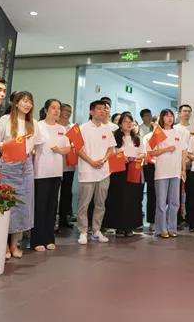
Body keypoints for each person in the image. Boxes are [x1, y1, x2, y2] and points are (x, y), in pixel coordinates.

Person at [0, 91, 43, 259]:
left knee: (23, 204)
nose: (27, 104)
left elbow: (35, 148)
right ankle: (3, 245)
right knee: (6, 203)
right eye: (24, 101)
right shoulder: (5, 120)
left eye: (30, 102)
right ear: (16, 103)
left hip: (26, 165)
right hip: (8, 163)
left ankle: (15, 244)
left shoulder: (33, 123)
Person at [32, 99, 70, 251]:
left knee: (52, 206)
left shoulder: (62, 128)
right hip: (40, 172)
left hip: (56, 172)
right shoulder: (38, 125)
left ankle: (49, 238)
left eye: (58, 108)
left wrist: (60, 150)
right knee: (39, 207)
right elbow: (32, 146)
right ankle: (37, 240)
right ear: (46, 110)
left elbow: (68, 148)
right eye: (53, 108)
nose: (56, 111)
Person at [76, 100, 115, 245]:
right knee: (84, 203)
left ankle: (96, 230)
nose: (102, 111)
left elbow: (111, 148)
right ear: (91, 111)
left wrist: (104, 160)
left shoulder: (107, 129)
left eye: (104, 109)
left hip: (104, 171)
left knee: (100, 203)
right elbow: (78, 149)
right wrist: (91, 161)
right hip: (87, 171)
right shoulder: (82, 128)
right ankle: (83, 231)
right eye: (99, 109)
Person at [146, 109, 187, 239]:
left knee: (175, 202)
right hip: (162, 172)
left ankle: (172, 228)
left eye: (171, 116)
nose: (169, 118)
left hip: (175, 172)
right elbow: (151, 152)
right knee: (161, 203)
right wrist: (166, 149)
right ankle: (161, 229)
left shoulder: (179, 133)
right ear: (162, 118)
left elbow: (184, 152)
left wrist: (183, 169)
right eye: (166, 116)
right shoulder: (158, 133)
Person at [103, 112, 145, 237]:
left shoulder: (137, 138)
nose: (128, 124)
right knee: (118, 198)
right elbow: (110, 152)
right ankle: (119, 227)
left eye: (130, 121)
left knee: (133, 198)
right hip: (119, 170)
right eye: (125, 122)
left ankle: (129, 226)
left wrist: (137, 157)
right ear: (120, 124)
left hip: (134, 168)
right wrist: (121, 157)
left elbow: (143, 153)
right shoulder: (114, 137)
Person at [57, 103, 76, 229]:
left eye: (70, 111)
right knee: (55, 194)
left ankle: (64, 219)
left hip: (69, 166)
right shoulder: (55, 125)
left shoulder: (73, 127)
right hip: (55, 165)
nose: (68, 113)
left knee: (66, 193)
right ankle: (53, 220)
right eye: (65, 110)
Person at [139, 108, 157, 232]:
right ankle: (139, 219)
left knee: (153, 194)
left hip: (157, 166)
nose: (149, 118)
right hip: (143, 165)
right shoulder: (142, 132)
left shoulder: (162, 135)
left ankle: (153, 221)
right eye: (146, 115)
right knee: (140, 194)